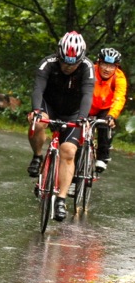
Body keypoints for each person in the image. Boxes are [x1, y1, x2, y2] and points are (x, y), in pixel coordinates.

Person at [27, 31, 94, 222]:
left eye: (72, 63)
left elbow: (87, 95)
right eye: (64, 61)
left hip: (73, 112)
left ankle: (61, 200)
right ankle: (37, 156)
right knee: (37, 121)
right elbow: (38, 89)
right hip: (50, 106)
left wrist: (82, 118)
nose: (67, 66)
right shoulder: (48, 63)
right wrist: (36, 110)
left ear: (80, 60)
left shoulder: (87, 67)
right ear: (59, 54)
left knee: (68, 151)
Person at [88, 47, 128, 172]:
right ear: (98, 62)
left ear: (116, 67)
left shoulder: (119, 78)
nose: (107, 69)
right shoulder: (89, 71)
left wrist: (112, 116)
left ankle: (102, 156)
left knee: (105, 124)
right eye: (104, 64)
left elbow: (119, 98)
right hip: (87, 105)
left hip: (105, 108)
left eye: (111, 66)